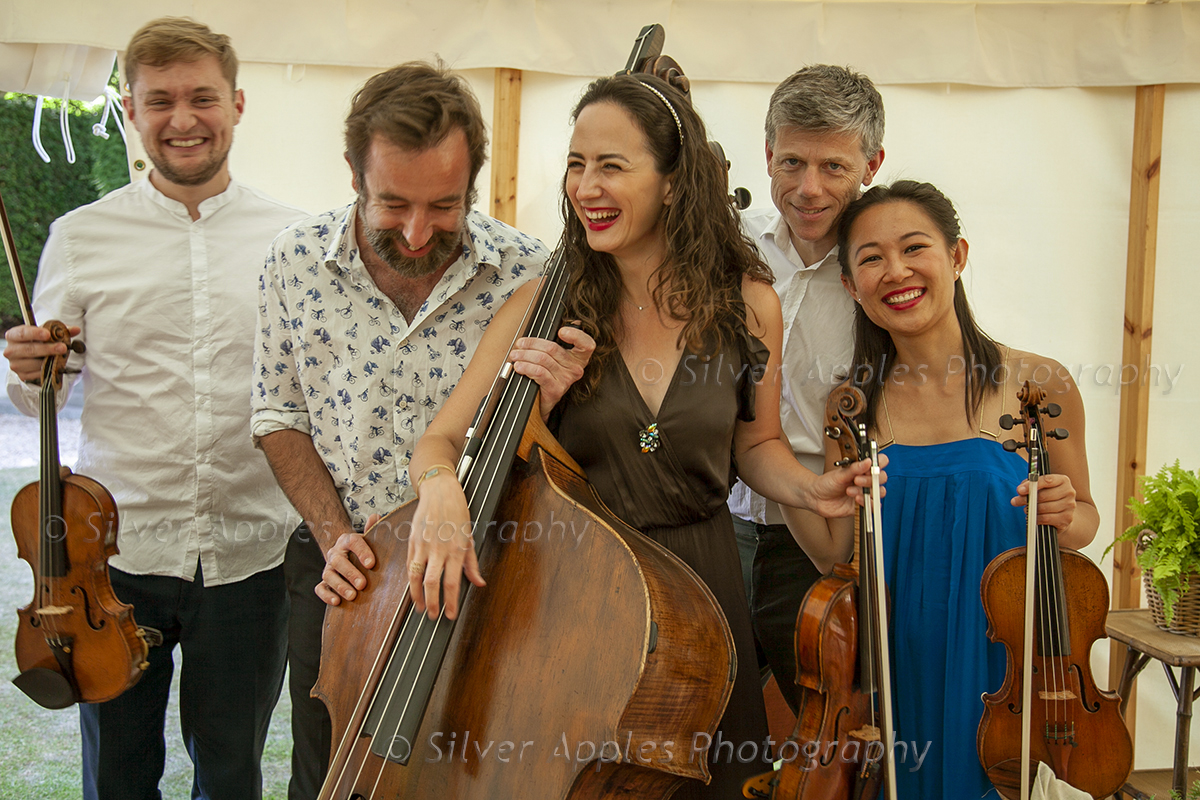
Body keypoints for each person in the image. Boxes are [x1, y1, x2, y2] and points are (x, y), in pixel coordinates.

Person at [378, 73, 880, 800]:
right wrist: (441, 494)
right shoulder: (541, 302)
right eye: (577, 164)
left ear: (673, 182)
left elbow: (755, 445)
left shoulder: (749, 303)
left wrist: (810, 487)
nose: (587, 186)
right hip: (573, 595)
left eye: (612, 165)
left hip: (705, 596)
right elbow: (442, 442)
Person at [3, 17, 306, 800]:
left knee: (232, 768)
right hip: (113, 557)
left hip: (250, 551)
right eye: (160, 100)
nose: (183, 119)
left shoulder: (295, 241)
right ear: (131, 110)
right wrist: (30, 366)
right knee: (117, 772)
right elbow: (45, 388)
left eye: (202, 97)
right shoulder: (79, 236)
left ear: (237, 104)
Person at [250, 61, 547, 800]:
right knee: (328, 777)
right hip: (337, 564)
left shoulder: (528, 273)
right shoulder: (293, 260)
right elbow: (278, 417)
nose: (417, 233)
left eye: (444, 205)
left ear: (474, 184)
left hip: (480, 576)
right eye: (392, 204)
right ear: (353, 174)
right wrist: (331, 534)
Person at [785, 180, 1099, 798]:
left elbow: (1084, 523)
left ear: (956, 256)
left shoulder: (1039, 381)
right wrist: (769, 463)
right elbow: (833, 555)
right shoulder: (851, 407)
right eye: (870, 258)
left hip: (1008, 666)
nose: (894, 271)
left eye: (913, 248)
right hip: (899, 667)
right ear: (850, 284)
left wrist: (1065, 511)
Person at [727, 64, 885, 712]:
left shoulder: (886, 267)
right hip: (726, 525)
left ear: (872, 164)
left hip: (827, 546)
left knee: (829, 734)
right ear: (767, 154)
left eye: (833, 168)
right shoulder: (729, 247)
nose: (809, 188)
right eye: (791, 162)